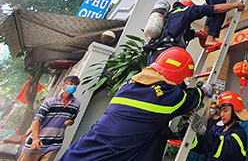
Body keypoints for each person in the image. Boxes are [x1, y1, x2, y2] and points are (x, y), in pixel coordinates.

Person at [59, 47, 213, 161]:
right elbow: (192, 98)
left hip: (78, 152)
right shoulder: (168, 96)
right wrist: (205, 90)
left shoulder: (129, 85)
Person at [144, 0, 245, 64]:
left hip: (153, 58)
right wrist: (235, 5)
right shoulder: (187, 11)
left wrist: (202, 33)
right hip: (168, 57)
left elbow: (190, 34)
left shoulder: (170, 19)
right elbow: (215, 9)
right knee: (172, 86)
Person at [18, 76, 81, 161]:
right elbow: (37, 120)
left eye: (75, 85)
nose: (73, 86)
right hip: (37, 142)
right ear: (64, 85)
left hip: (54, 145)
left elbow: (72, 119)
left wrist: (70, 122)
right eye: (71, 84)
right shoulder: (50, 101)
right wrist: (35, 139)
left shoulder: (76, 104)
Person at [191, 90, 248, 161]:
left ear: (235, 112)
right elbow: (202, 147)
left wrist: (203, 131)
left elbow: (222, 149)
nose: (222, 114)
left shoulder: (239, 134)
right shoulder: (216, 129)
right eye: (221, 111)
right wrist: (183, 130)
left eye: (225, 111)